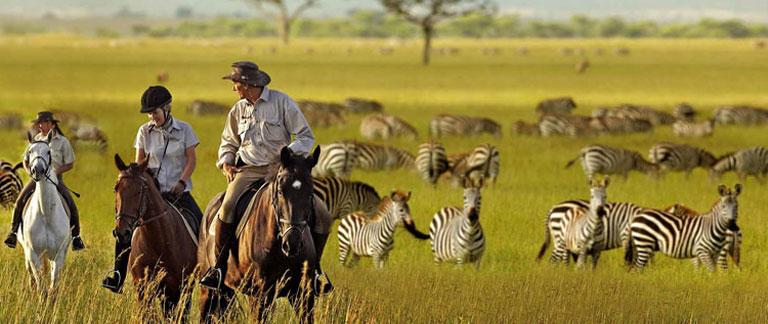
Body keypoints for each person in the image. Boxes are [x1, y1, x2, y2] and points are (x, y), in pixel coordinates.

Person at [199, 61, 333, 295]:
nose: (234, 89)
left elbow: (305, 135)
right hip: (248, 171)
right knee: (227, 207)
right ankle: (218, 269)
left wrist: (288, 157)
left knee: (322, 214)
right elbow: (228, 142)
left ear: (249, 84)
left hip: (280, 169)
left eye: (236, 84)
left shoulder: (282, 102)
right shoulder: (238, 109)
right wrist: (226, 162)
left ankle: (315, 271)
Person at [101, 85, 203, 293]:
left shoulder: (185, 130)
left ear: (167, 108)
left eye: (154, 112)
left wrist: (182, 182)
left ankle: (208, 272)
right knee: (125, 227)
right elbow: (139, 163)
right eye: (148, 113)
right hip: (151, 193)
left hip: (178, 193)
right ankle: (117, 274)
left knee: (201, 226)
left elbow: (191, 160)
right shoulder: (144, 132)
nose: (151, 117)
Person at [4, 111, 85, 251]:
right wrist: (29, 171)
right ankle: (13, 232)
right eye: (39, 124)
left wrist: (55, 172)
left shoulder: (63, 142)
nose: (40, 126)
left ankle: (76, 238)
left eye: (42, 123)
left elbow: (70, 164)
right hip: (36, 178)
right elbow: (25, 160)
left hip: (56, 178)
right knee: (19, 201)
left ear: (51, 124)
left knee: (71, 205)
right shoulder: (36, 139)